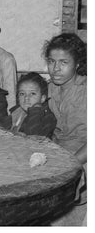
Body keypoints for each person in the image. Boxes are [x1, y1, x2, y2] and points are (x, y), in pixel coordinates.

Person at [43, 33, 86, 226]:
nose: (56, 69)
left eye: (63, 62)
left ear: (77, 64)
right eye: (51, 61)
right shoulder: (49, 88)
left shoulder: (87, 90)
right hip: (59, 153)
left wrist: (73, 163)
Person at [9, 72, 56, 138]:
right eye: (22, 94)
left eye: (32, 93)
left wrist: (35, 111)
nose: (26, 98)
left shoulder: (47, 117)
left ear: (42, 98)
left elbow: (33, 138)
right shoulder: (18, 112)